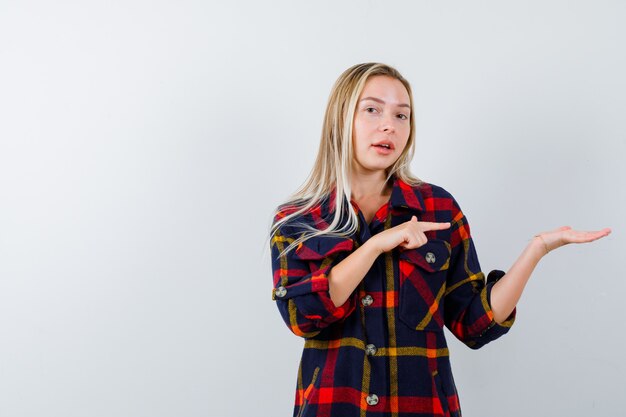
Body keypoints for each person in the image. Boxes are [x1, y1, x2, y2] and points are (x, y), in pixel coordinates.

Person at [267, 62, 611, 417]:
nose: (389, 124)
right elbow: (304, 316)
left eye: (402, 116)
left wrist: (536, 250)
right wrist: (375, 245)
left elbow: (475, 322)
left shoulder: (437, 207)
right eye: (372, 109)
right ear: (341, 120)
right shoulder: (298, 221)